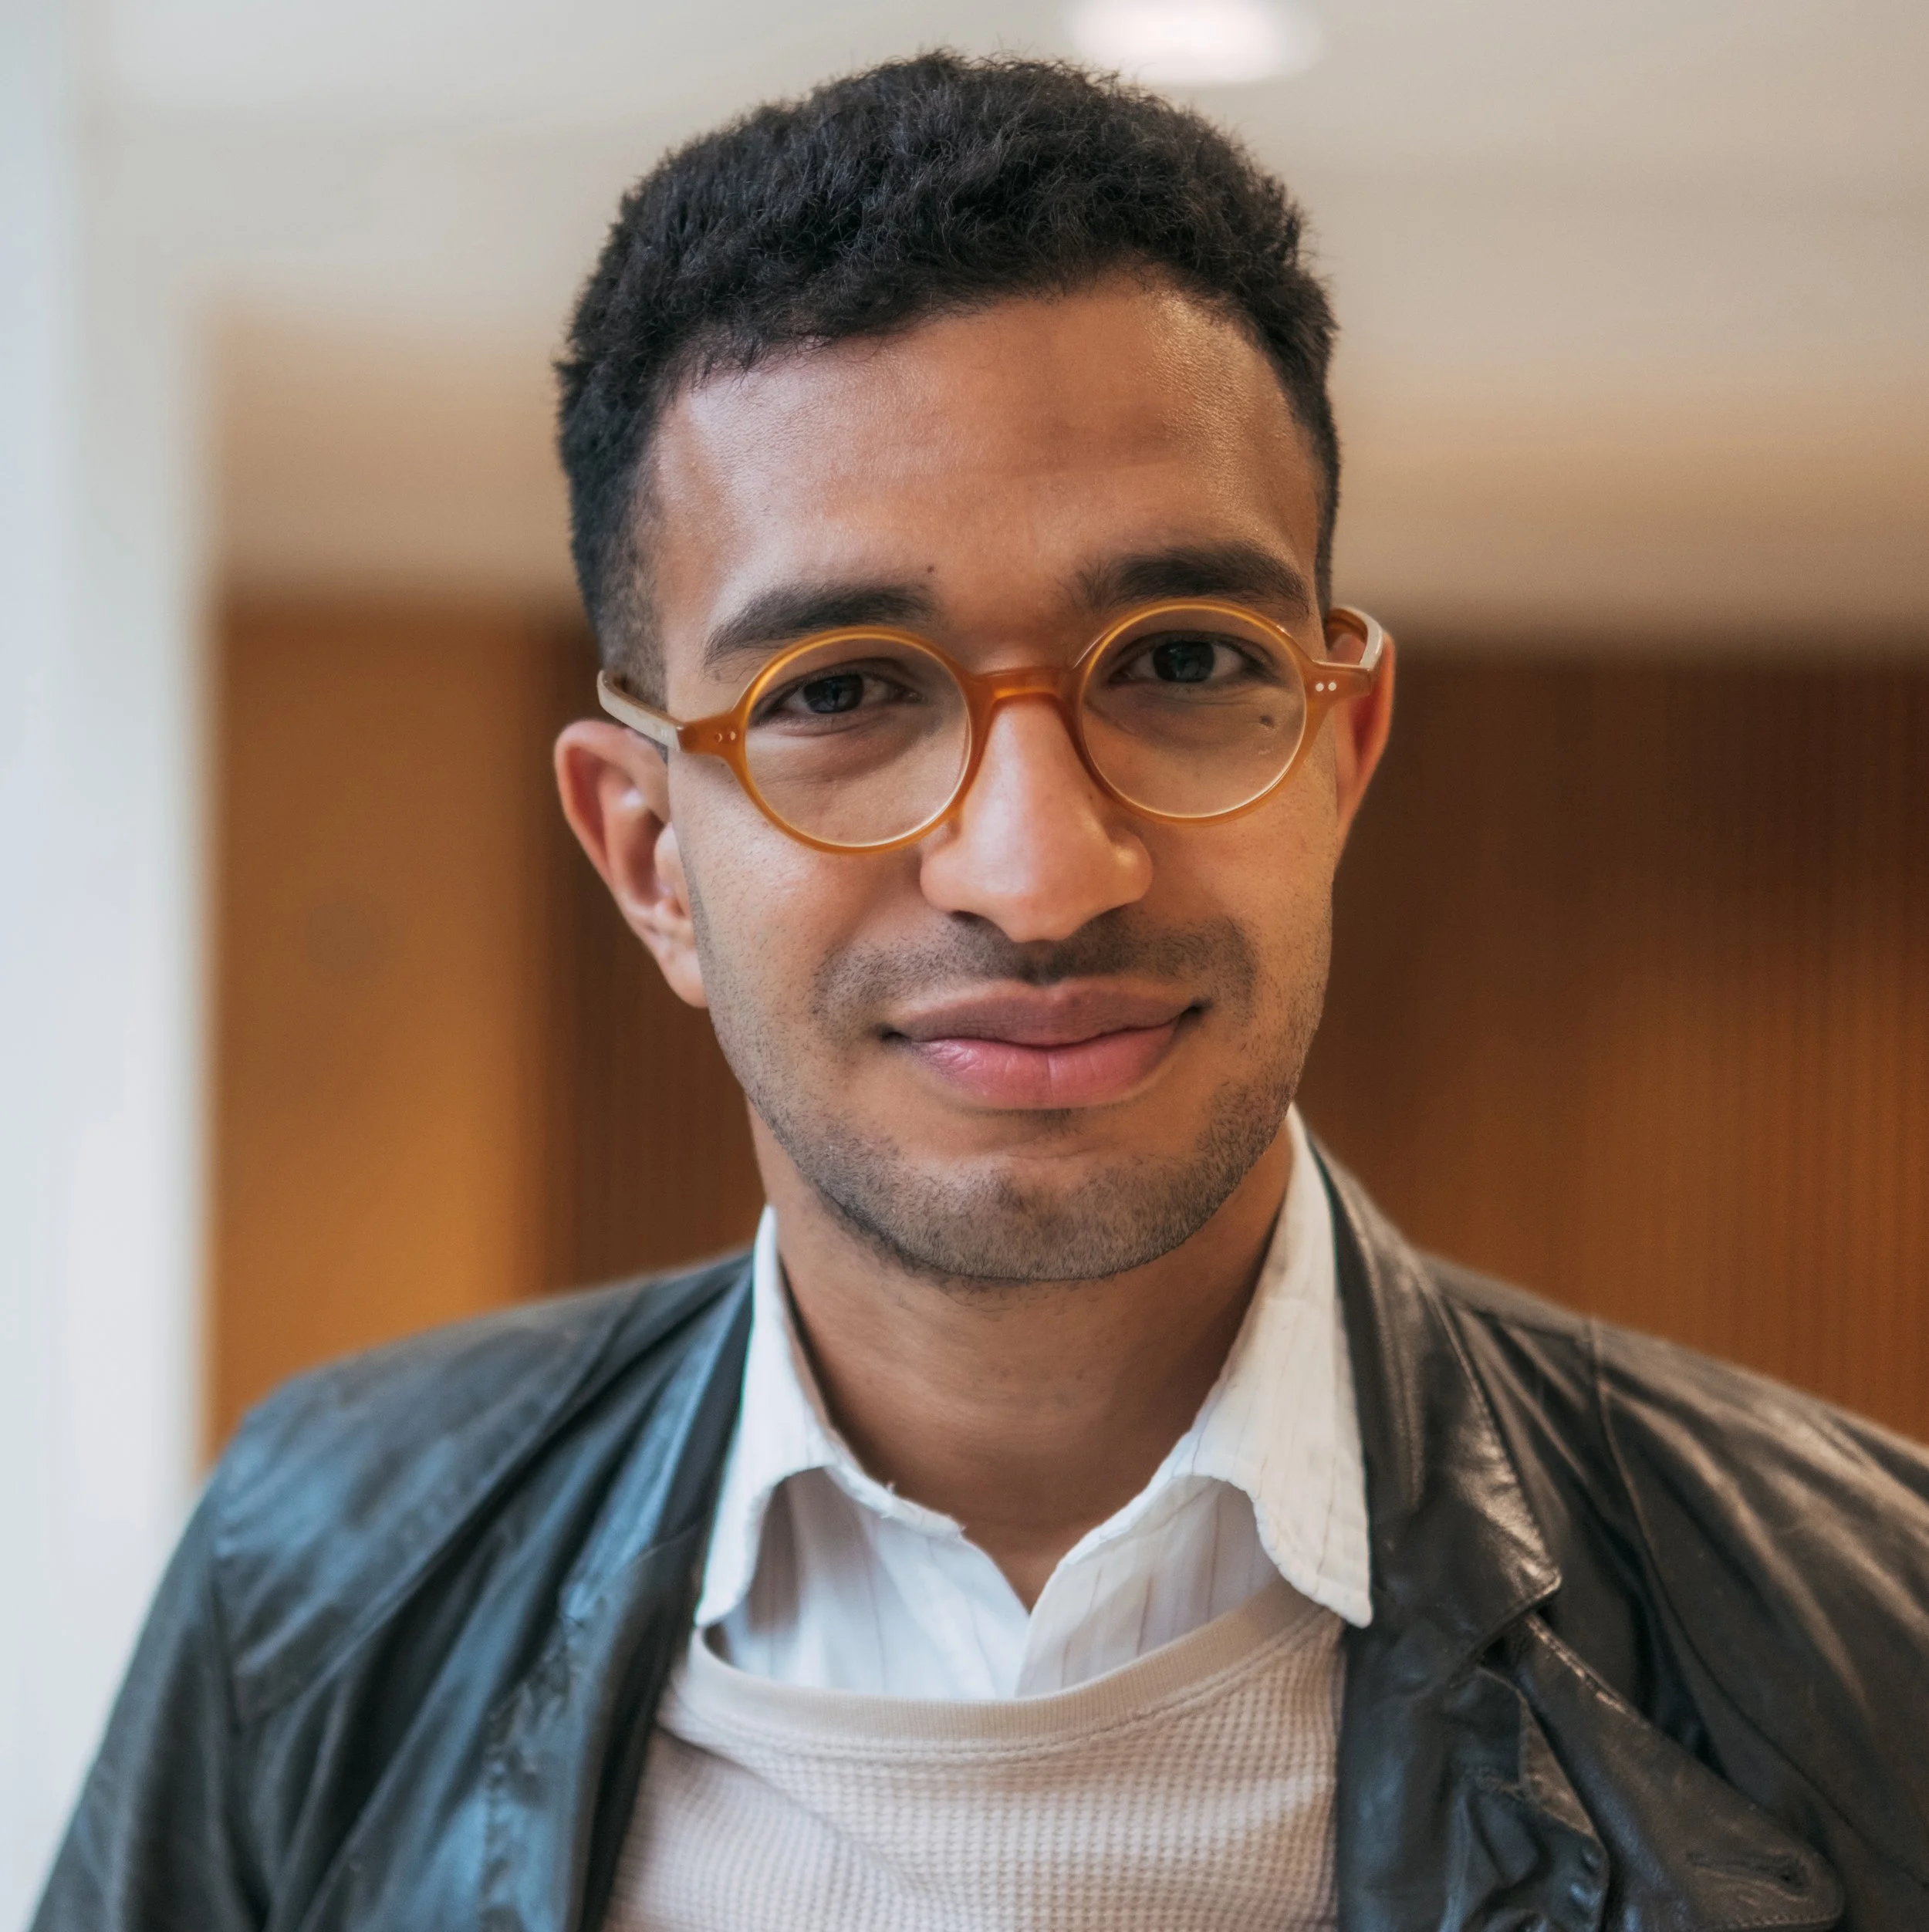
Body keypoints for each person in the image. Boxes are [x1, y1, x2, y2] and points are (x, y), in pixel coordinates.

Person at [34, 52, 1929, 1932]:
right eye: (842, 692)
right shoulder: (319, 1575)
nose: (1036, 871)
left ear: (1336, 758)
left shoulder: (1867, 1637)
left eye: (1179, 660)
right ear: (649, 855)